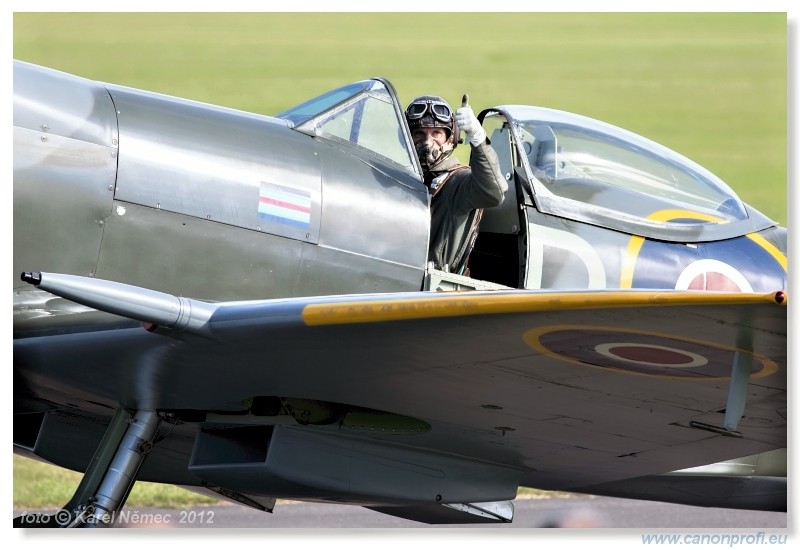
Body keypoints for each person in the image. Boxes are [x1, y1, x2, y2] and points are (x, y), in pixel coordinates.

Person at [405, 95, 507, 275]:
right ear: (407, 138)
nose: (427, 142)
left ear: (450, 138)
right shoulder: (402, 177)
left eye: (436, 133)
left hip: (433, 289)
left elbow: (493, 191)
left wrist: (478, 138)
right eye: (419, 133)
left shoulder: (459, 182)